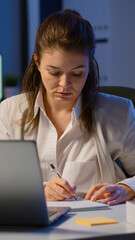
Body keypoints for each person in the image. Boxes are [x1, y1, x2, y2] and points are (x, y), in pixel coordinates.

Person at [0, 9, 135, 205]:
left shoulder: (120, 112)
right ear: (37, 63)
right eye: (54, 73)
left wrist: (126, 189)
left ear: (89, 65)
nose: (65, 84)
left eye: (78, 73)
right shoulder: (8, 112)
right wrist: (41, 190)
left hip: (102, 228)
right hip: (35, 229)